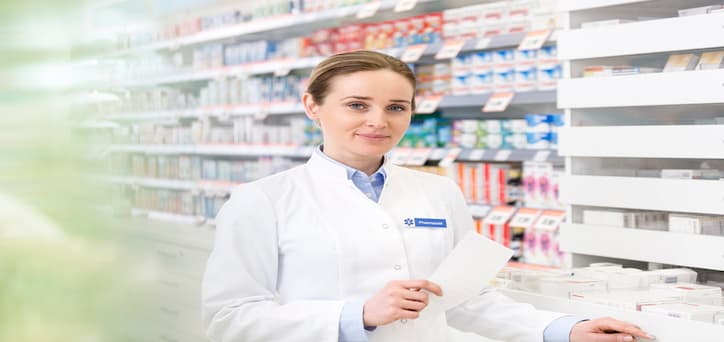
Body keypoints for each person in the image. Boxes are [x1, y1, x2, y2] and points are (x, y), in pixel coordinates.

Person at [201, 50, 654, 342]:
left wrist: (564, 329)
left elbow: (465, 300)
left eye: (397, 107)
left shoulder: (439, 192)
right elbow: (230, 319)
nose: (378, 120)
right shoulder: (262, 200)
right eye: (357, 105)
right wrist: (356, 315)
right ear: (312, 106)